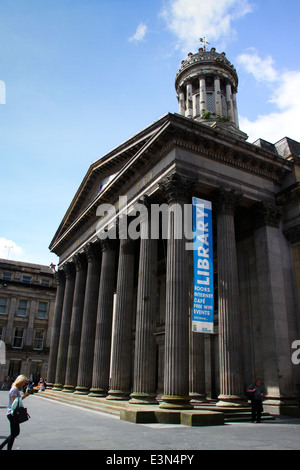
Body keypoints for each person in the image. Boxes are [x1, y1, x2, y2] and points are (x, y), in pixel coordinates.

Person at [0, 374, 30, 450]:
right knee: (14, 433)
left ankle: (2, 446)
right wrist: (24, 396)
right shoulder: (14, 390)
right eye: (23, 382)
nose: (24, 384)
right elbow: (14, 403)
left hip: (12, 413)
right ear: (20, 381)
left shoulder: (15, 389)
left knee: (14, 433)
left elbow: (16, 401)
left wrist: (24, 396)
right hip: (12, 414)